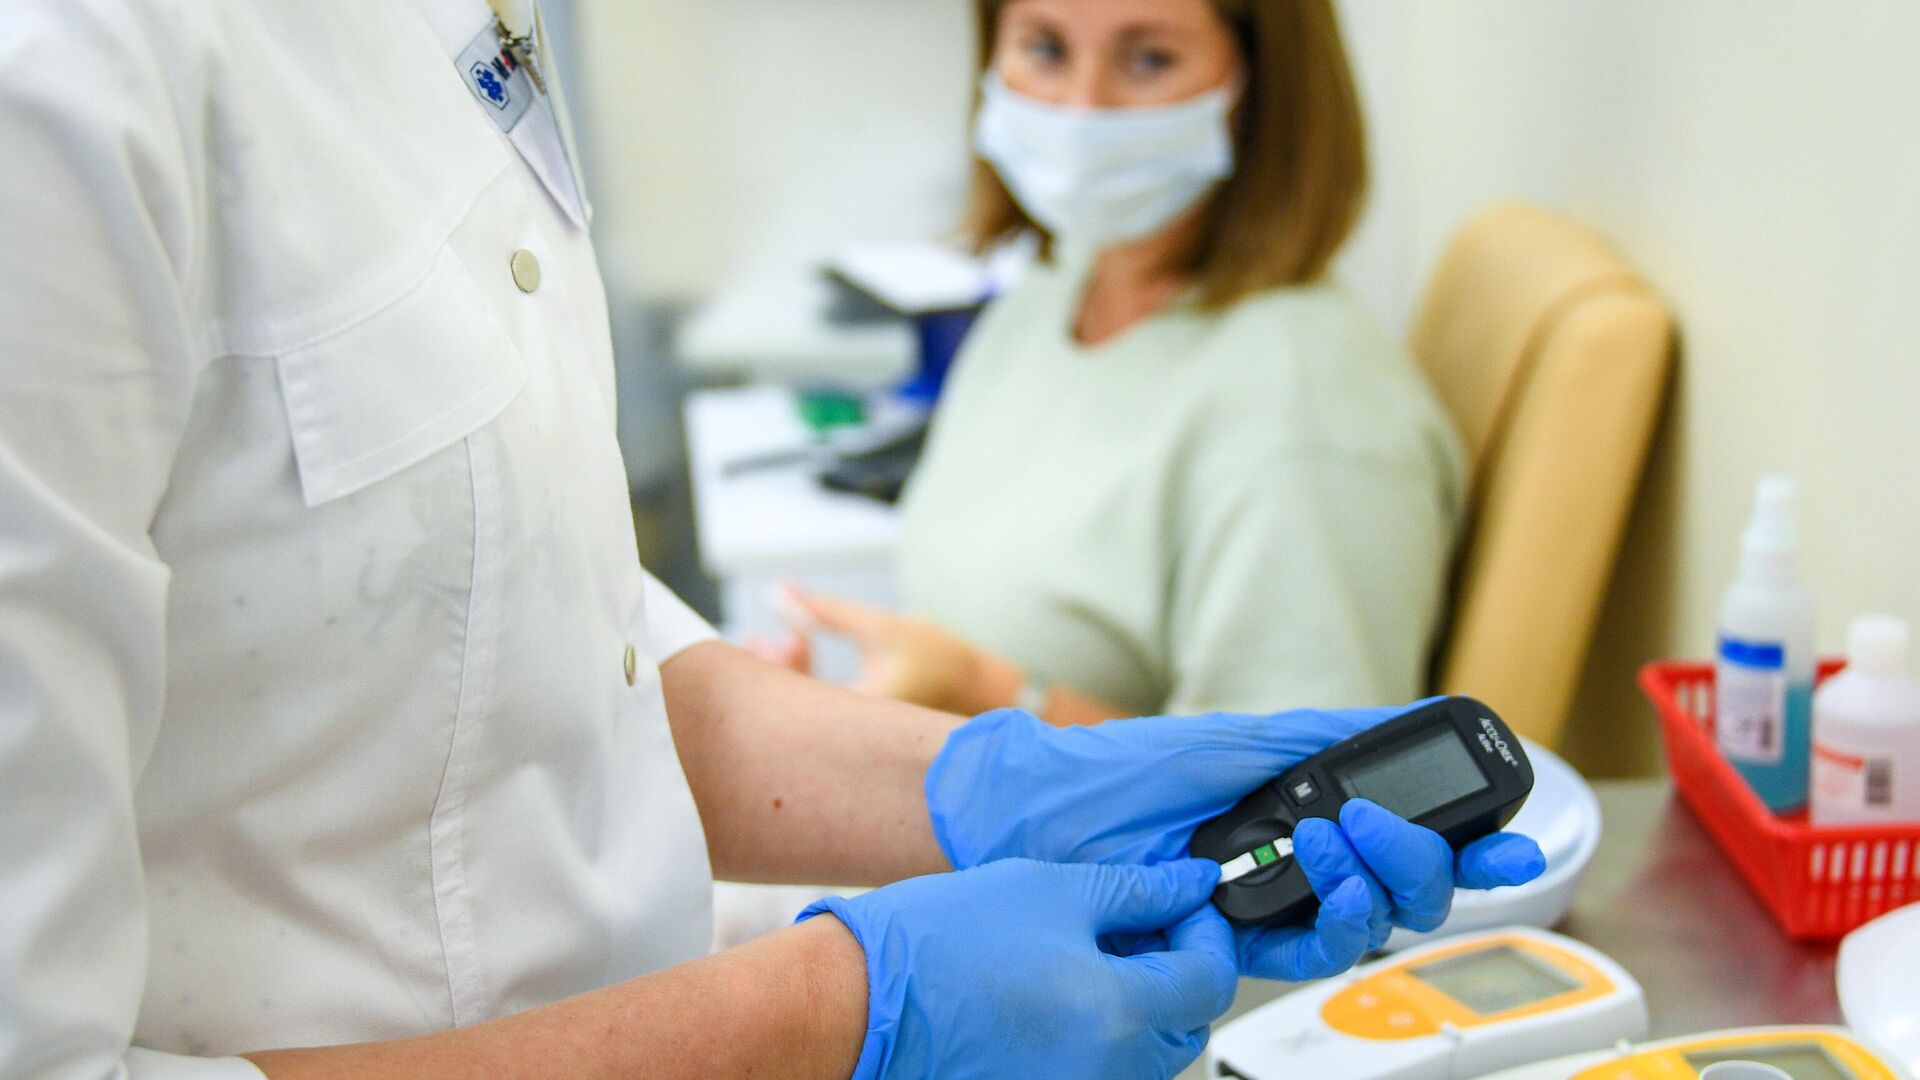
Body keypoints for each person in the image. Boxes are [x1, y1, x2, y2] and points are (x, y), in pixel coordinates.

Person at [0, 2, 1543, 1078]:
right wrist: (839, 1010)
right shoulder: (60, 82)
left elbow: (536, 644)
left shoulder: (457, 35)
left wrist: (987, 782)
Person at [769, 0, 1465, 727]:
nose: (1082, 110)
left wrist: (979, 690)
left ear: (1264, 82)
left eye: (1150, 60)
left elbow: (1298, 782)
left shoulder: (1306, 409)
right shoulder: (1061, 285)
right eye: (1045, 48)